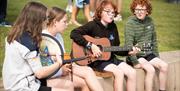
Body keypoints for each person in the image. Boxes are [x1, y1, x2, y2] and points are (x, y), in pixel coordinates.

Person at [2, 2, 73, 91]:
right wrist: (58, 64)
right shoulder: (28, 43)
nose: (47, 21)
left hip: (13, 81)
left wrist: (53, 53)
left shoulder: (16, 34)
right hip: (22, 86)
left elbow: (30, 55)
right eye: (45, 19)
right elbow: (40, 73)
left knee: (69, 85)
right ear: (37, 20)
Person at [70, 0, 140, 91]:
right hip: (97, 61)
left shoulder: (113, 27)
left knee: (132, 72)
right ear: (100, 12)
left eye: (113, 12)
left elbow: (116, 49)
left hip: (111, 58)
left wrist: (129, 52)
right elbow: (74, 33)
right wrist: (90, 45)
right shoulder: (92, 25)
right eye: (108, 11)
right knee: (119, 72)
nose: (111, 14)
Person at [42, 7, 103, 91]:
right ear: (55, 22)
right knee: (84, 81)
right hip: (51, 75)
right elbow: (44, 66)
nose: (67, 24)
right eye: (64, 22)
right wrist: (61, 69)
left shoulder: (58, 36)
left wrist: (69, 62)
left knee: (88, 71)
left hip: (63, 68)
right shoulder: (44, 39)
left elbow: (63, 55)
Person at [124, 0, 168, 91]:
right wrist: (135, 62)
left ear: (147, 11)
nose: (139, 12)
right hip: (136, 55)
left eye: (142, 9)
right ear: (134, 10)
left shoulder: (150, 21)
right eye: (137, 9)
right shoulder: (130, 23)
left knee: (164, 66)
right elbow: (129, 45)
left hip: (148, 53)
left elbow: (154, 41)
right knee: (150, 70)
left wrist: (157, 57)